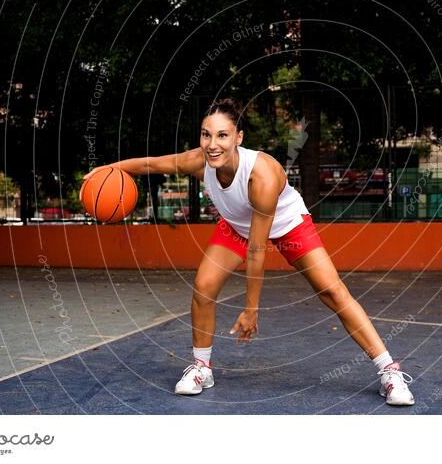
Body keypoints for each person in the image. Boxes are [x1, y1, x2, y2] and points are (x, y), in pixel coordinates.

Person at [84, 98, 414, 406]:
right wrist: (105, 171)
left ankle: (389, 371)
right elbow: (152, 164)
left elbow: (258, 250)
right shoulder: (200, 161)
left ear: (238, 137)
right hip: (237, 225)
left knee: (332, 291)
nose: (213, 144)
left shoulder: (262, 175)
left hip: (286, 224)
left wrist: (251, 309)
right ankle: (202, 367)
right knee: (203, 288)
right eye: (206, 134)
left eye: (222, 135)